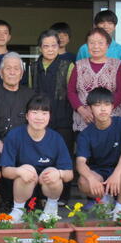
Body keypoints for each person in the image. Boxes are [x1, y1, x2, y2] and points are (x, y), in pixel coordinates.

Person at [0, 95, 74, 223]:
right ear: (27, 115)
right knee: (26, 169)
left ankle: (51, 210)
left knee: (53, 172)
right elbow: (5, 170)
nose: (39, 117)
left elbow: (69, 174)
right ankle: (18, 211)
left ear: (49, 116)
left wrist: (59, 173)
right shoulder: (15, 135)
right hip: (22, 187)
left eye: (44, 113)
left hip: (47, 186)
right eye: (34, 112)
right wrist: (19, 171)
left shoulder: (56, 138)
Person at [0, 52, 34, 212]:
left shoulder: (30, 95)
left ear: (22, 73)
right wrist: (1, 147)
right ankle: (7, 199)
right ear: (0, 72)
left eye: (16, 69)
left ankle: (29, 200)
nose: (12, 72)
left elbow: (35, 123)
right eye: (8, 68)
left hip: (24, 145)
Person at [74, 88, 121, 219]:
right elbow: (80, 162)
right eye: (97, 105)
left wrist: (116, 174)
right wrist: (91, 178)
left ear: (112, 106)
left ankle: (120, 208)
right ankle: (105, 199)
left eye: (107, 104)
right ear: (90, 108)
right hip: (100, 175)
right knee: (83, 181)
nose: (103, 109)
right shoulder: (85, 134)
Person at [27, 29, 75, 162]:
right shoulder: (33, 67)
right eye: (46, 46)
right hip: (39, 120)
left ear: (59, 46)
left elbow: (72, 93)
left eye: (54, 45)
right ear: (40, 48)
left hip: (63, 119)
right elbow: (30, 93)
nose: (50, 49)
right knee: (39, 157)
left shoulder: (68, 66)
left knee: (63, 157)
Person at [68, 26, 121, 133]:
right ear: (87, 45)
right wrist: (81, 109)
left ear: (107, 45)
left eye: (100, 43)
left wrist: (103, 110)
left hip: (112, 118)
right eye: (91, 43)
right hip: (85, 118)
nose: (96, 46)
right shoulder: (79, 65)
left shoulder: (116, 65)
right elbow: (71, 91)